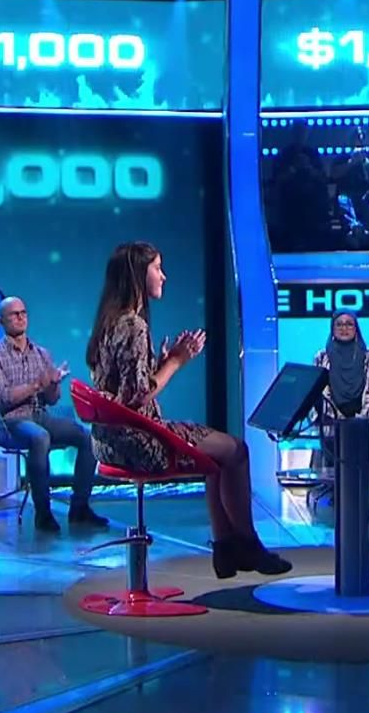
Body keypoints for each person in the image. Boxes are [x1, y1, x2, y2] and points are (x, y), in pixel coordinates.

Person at [85, 242, 291, 579]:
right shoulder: (133, 326)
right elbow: (137, 396)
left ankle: (226, 549)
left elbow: (122, 387)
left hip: (108, 441)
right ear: (138, 275)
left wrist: (162, 361)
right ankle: (247, 544)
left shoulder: (108, 322)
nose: (163, 276)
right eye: (157, 268)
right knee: (236, 451)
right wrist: (178, 361)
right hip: (138, 441)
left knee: (217, 457)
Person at [0, 296, 109, 534]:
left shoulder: (41, 354)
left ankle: (79, 508)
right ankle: (43, 513)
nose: (21, 318)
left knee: (87, 436)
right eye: (14, 314)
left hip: (39, 415)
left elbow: (51, 399)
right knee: (40, 437)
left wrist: (53, 384)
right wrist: (36, 385)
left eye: (23, 313)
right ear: (1, 321)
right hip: (8, 421)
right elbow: (1, 399)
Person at [311, 311, 369, 499]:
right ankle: (339, 490)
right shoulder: (322, 357)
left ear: (356, 329)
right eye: (339, 324)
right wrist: (333, 415)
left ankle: (361, 490)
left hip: (363, 415)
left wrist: (361, 417)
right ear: (332, 329)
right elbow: (317, 391)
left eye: (349, 324)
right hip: (330, 416)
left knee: (360, 433)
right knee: (335, 434)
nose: (344, 328)